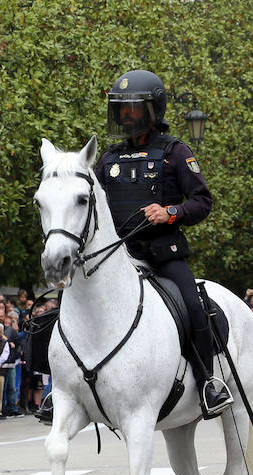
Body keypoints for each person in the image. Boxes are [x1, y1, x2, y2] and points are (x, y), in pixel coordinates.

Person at [97, 69, 230, 416]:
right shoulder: (109, 159)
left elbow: (202, 201)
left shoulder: (175, 152)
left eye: (133, 108)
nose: (125, 115)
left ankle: (208, 383)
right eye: (121, 109)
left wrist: (170, 211)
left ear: (153, 110)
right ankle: (67, 385)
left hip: (162, 254)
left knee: (193, 306)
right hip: (118, 258)